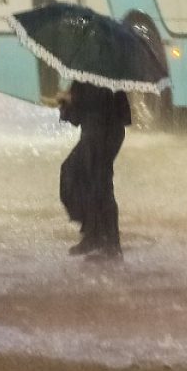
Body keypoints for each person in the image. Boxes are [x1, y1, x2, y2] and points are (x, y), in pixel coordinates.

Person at [58, 81, 132, 259]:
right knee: (96, 182)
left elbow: (76, 116)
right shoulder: (110, 71)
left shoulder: (87, 73)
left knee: (84, 178)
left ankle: (104, 240)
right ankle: (98, 236)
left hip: (98, 133)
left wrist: (65, 101)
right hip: (110, 131)